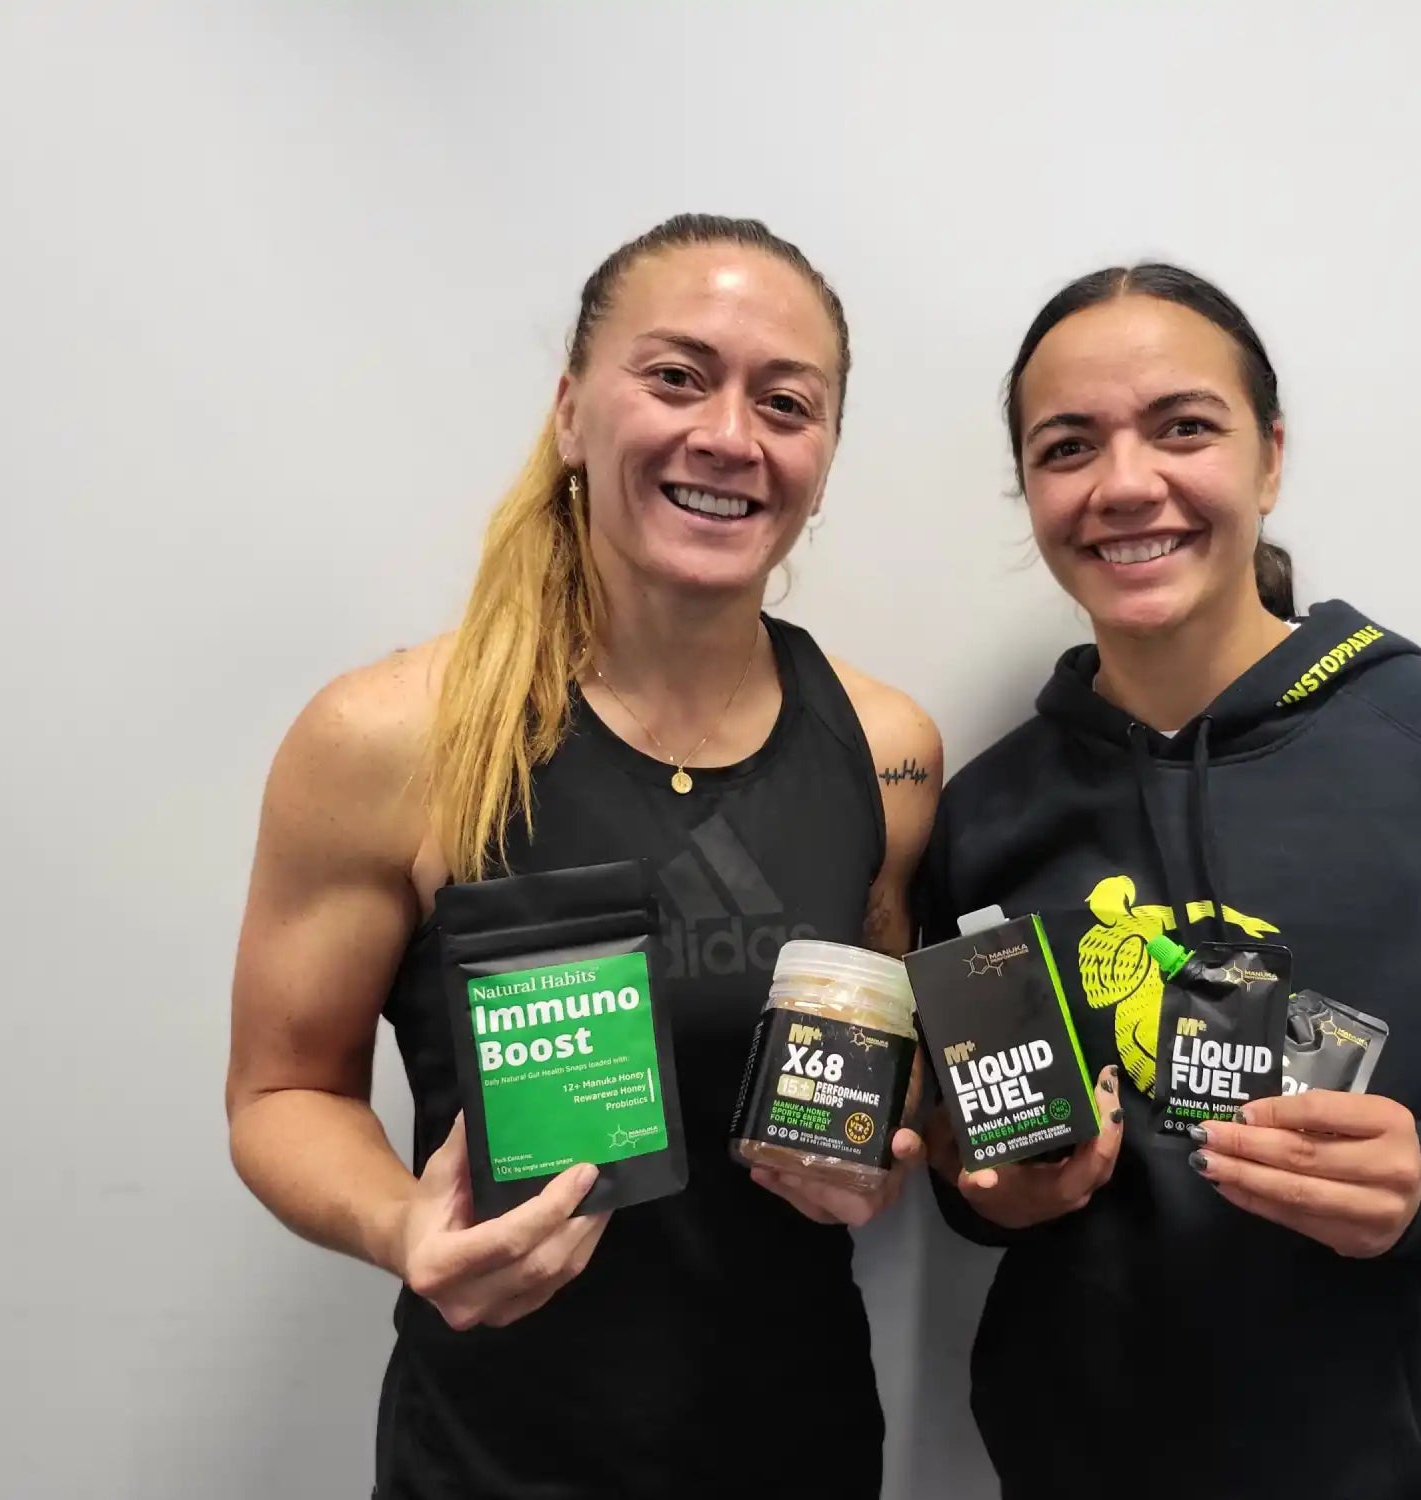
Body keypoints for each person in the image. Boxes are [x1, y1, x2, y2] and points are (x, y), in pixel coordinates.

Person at [919, 262, 1421, 1498]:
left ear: (1268, 459)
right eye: (1068, 446)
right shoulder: (988, 814)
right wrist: (1002, 1194)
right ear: (1028, 491)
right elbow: (971, 1162)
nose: (1126, 484)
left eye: (1183, 428)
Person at [226, 214, 941, 1498]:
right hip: (494, 1462)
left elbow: (861, 1072)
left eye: (786, 401)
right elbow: (282, 1097)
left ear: (823, 457)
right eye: (676, 376)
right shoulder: (391, 738)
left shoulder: (888, 753)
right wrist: (404, 1227)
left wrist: (879, 1156)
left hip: (801, 1451)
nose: (729, 435)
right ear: (570, 411)